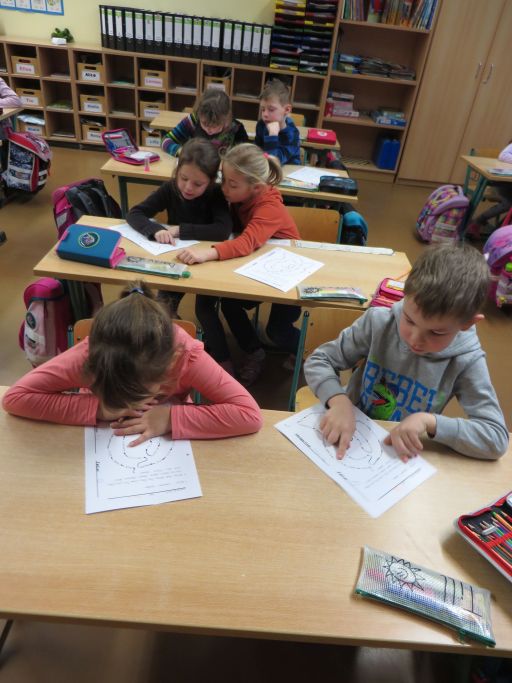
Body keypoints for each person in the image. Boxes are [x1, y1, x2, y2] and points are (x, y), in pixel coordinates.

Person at [304, 242, 509, 461]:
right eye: (409, 320)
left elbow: (496, 438)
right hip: (349, 432)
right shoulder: (379, 322)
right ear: (405, 295)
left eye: (436, 332)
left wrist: (430, 422)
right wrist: (338, 400)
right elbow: (319, 360)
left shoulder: (467, 360)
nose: (415, 339)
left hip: (399, 459)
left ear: (467, 323)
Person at [2, 281, 263, 445]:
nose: (128, 405)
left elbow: (249, 415)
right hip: (93, 440)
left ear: (169, 365)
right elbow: (15, 398)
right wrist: (99, 409)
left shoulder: (184, 355)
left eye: (136, 395)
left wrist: (169, 418)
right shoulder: (91, 355)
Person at [177, 143, 301, 385]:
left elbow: (246, 242)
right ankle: (254, 351)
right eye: (223, 180)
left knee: (277, 331)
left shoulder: (270, 207)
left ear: (256, 187)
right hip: (257, 267)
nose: (224, 188)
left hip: (288, 275)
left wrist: (208, 253)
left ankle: (306, 351)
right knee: (230, 302)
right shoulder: (239, 196)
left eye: (232, 185)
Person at [126, 138, 232, 316]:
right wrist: (155, 230)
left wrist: (179, 230)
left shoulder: (215, 194)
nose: (188, 187)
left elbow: (222, 230)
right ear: (177, 171)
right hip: (177, 259)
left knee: (204, 311)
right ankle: (174, 330)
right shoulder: (171, 188)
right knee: (163, 309)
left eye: (198, 184)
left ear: (211, 181)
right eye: (183, 178)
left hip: (208, 261)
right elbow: (135, 213)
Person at [161, 89, 248, 157]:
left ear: (225, 120)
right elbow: (165, 141)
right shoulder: (193, 121)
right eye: (204, 123)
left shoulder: (236, 129)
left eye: (215, 126)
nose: (209, 129)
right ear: (199, 114)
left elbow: (247, 155)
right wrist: (181, 151)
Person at [467, 141, 512, 239]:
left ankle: (498, 231)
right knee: (508, 203)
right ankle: (480, 222)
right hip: (502, 183)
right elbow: (503, 156)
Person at [254, 79, 301, 166]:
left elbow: (274, 162)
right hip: (266, 169)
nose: (265, 114)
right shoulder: (261, 125)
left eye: (271, 109)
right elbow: (256, 151)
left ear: (287, 110)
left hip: (288, 172)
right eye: (263, 109)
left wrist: (272, 136)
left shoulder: (292, 133)